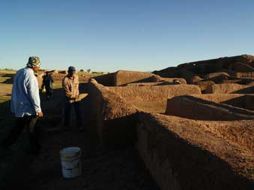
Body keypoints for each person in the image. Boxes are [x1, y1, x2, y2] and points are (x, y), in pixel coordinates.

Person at [2, 56, 43, 154]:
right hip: (28, 107)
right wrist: (38, 109)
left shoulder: (20, 72)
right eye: (38, 66)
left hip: (19, 106)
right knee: (32, 129)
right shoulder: (31, 75)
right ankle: (35, 149)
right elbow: (34, 94)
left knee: (18, 127)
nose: (39, 67)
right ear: (35, 65)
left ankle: (6, 144)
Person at [62, 66, 83, 130]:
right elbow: (67, 92)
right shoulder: (65, 80)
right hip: (69, 99)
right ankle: (66, 125)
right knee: (67, 112)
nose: (73, 73)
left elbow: (77, 87)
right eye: (71, 71)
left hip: (77, 98)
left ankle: (79, 126)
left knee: (78, 112)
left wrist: (78, 95)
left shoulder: (76, 77)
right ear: (68, 72)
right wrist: (74, 96)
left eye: (74, 71)